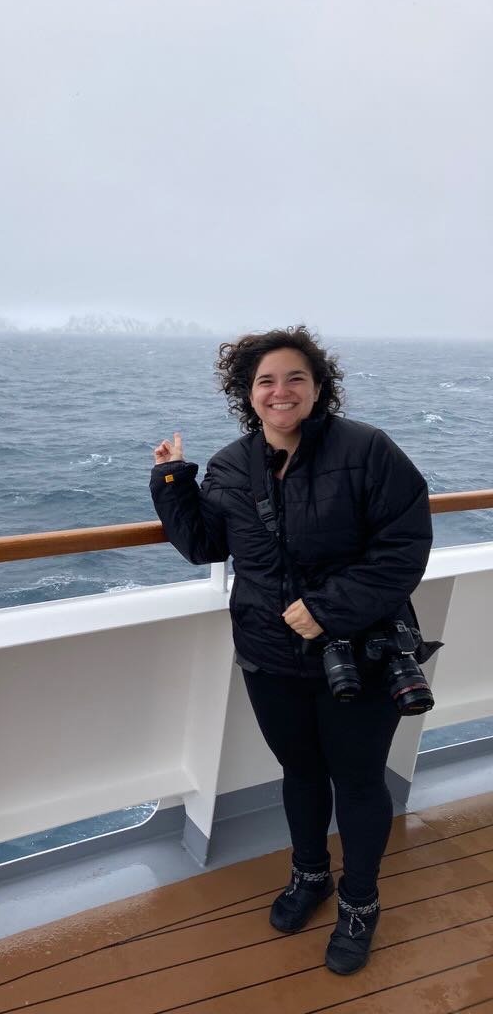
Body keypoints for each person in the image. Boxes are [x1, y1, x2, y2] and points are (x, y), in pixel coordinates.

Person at [149, 325, 433, 975]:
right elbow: (205, 546)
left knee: (358, 779)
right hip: (269, 656)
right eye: (265, 381)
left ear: (318, 387)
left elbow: (404, 546)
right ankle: (311, 875)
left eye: (295, 378)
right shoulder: (228, 466)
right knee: (300, 772)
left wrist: (330, 609)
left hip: (359, 650)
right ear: (247, 394)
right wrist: (171, 480)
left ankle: (360, 901)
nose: (281, 391)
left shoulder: (367, 452)